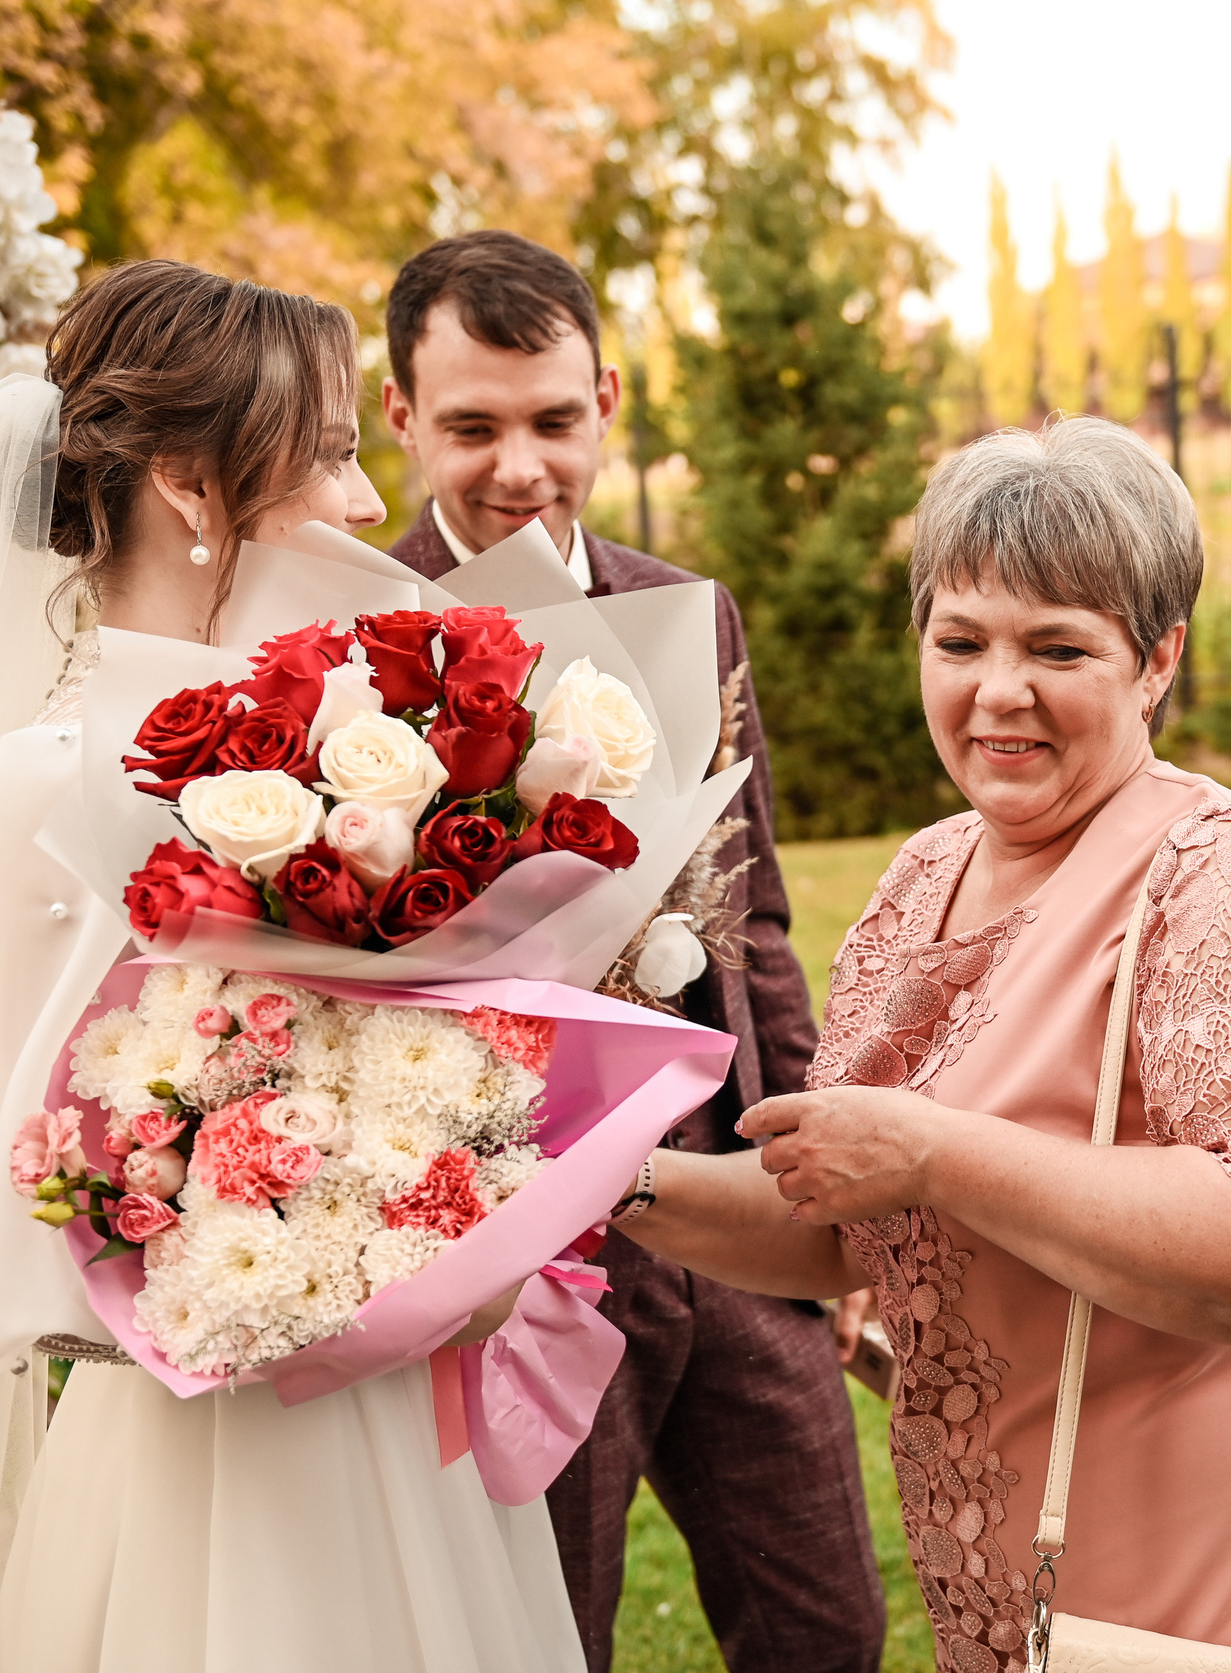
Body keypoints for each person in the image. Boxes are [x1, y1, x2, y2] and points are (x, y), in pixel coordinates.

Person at [0, 260, 586, 1672]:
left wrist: (470, 1181)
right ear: (191, 489)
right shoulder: (24, 808)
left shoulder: (363, 772)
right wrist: (285, 1247)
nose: (357, 500)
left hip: (396, 1440)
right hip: (199, 1470)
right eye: (331, 453)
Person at [616, 414, 1231, 1667]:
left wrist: (939, 1151)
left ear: (1157, 660)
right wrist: (606, 1180)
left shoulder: (1223, 872)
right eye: (960, 640)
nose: (999, 690)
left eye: (1058, 646)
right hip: (1011, 1582)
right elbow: (844, 1218)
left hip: (1217, 1576)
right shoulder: (924, 871)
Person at [377, 230, 885, 1673]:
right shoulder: (351, 640)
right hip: (521, 1246)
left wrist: (817, 1198)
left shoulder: (690, 609)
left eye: (553, 420)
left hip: (729, 1197)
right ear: (403, 416)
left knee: (825, 1624)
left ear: (606, 397)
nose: (520, 466)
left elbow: (754, 916)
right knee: (551, 1633)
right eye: (473, 426)